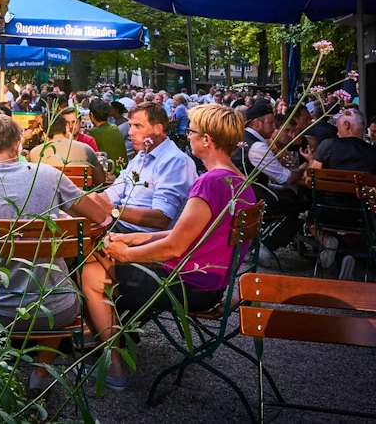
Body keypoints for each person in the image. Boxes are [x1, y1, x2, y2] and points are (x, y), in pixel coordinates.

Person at [81, 103, 257, 391]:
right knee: (101, 254)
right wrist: (134, 239)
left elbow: (175, 246)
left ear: (206, 140)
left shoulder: (210, 183)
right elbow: (183, 234)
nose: (187, 136)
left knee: (91, 271)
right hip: (209, 282)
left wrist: (127, 253)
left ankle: (110, 362)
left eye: (191, 131)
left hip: (189, 285)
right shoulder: (240, 181)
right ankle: (113, 340)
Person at [0, 114, 109, 331]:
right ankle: (43, 364)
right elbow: (98, 216)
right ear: (18, 145)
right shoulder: (49, 174)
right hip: (54, 307)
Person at [97, 102, 199, 234]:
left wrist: (111, 209)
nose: (130, 132)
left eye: (138, 126)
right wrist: (89, 201)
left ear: (157, 129)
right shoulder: (141, 156)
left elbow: (161, 218)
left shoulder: (175, 161)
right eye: (130, 126)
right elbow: (113, 193)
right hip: (120, 225)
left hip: (142, 237)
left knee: (77, 236)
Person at [237, 101, 308, 256]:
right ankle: (266, 246)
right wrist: (304, 167)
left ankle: (257, 237)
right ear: (257, 123)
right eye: (270, 123)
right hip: (252, 201)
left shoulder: (242, 138)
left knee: (287, 195)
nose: (274, 128)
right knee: (302, 208)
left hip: (241, 196)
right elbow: (286, 178)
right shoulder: (257, 147)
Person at [26, 111, 104, 186]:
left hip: (50, 199)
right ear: (66, 128)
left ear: (45, 133)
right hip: (78, 198)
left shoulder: (34, 153)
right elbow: (100, 180)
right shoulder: (86, 149)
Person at [308, 111, 376, 174]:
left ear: (346, 125)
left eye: (338, 127)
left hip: (330, 194)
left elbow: (311, 177)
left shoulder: (328, 145)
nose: (337, 133)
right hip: (362, 195)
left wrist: (311, 160)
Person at [88, 99, 127, 165]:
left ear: (91, 115)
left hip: (108, 170)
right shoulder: (115, 127)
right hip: (122, 168)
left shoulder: (94, 132)